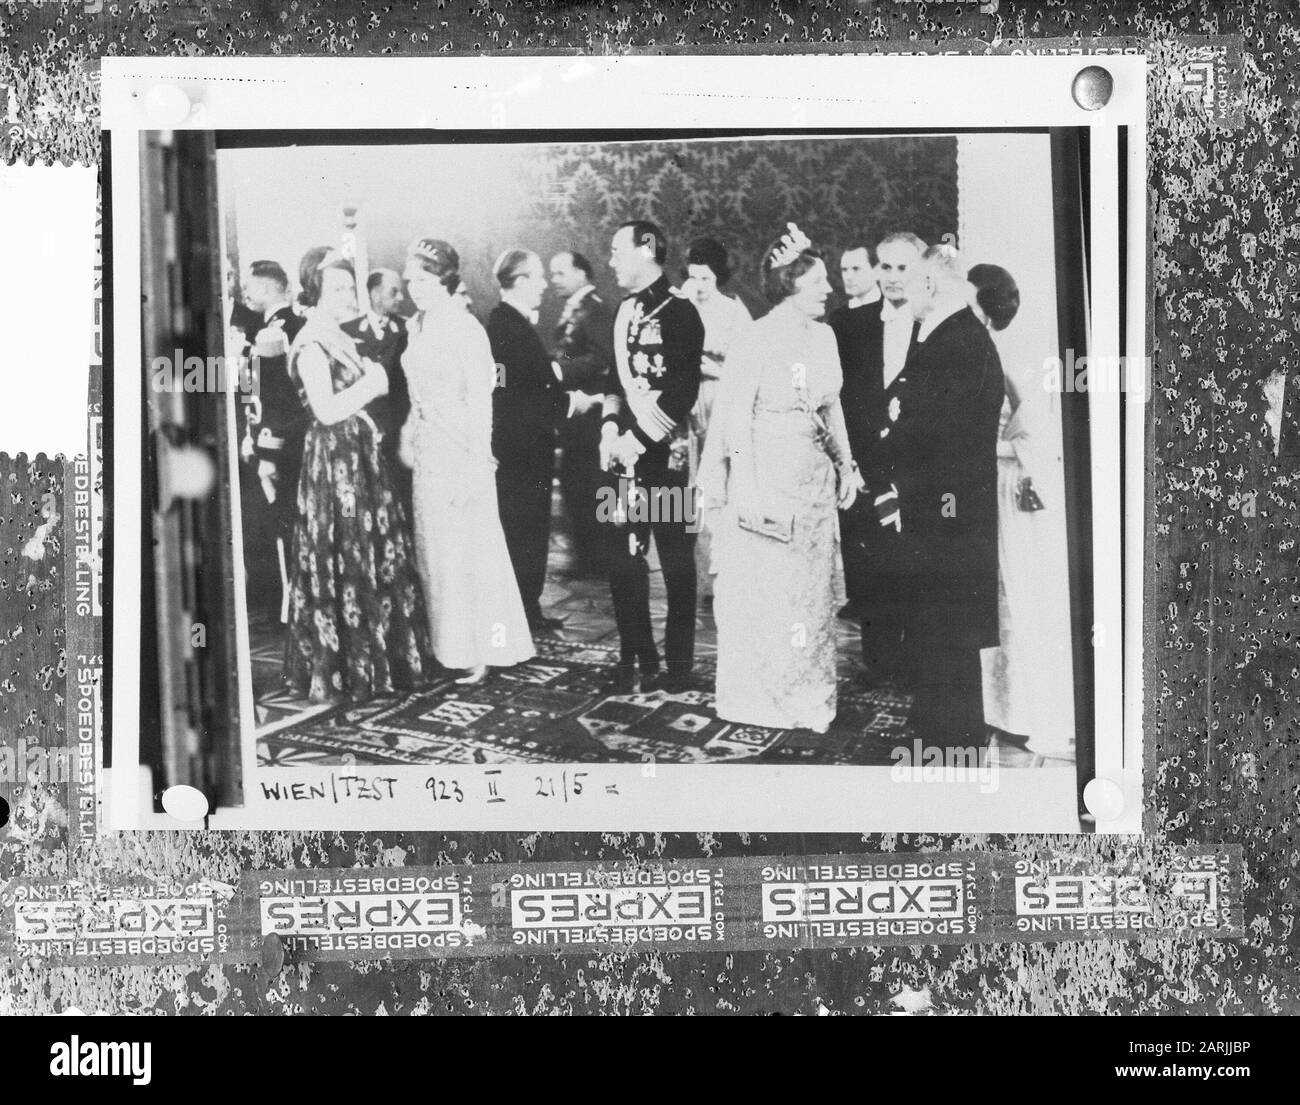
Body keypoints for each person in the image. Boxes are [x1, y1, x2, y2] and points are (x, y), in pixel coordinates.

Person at [699, 223, 863, 733]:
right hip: (766, 480)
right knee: (768, 596)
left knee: (809, 596)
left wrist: (848, 466)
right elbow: (733, 421)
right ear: (789, 285)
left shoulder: (827, 335)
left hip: (813, 483)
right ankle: (760, 698)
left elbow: (831, 407)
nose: (829, 290)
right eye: (818, 283)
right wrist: (743, 490)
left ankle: (808, 695)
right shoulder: (756, 337)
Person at [282, 249, 428, 703]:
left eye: (351, 287)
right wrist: (375, 382)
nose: (349, 296)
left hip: (360, 456)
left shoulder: (339, 337)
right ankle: (349, 672)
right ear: (316, 294)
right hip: (335, 463)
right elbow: (325, 411)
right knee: (347, 556)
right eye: (338, 289)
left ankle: (379, 664)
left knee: (370, 554)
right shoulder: (310, 343)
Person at [399, 237, 535, 683]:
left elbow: (482, 401)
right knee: (435, 552)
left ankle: (482, 649)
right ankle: (449, 648)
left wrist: (480, 461)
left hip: (462, 450)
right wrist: (408, 434)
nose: (413, 287)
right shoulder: (416, 326)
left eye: (422, 279)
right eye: (409, 280)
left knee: (468, 551)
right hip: (427, 449)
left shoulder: (465, 328)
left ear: (444, 279)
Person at [891, 243, 1005, 751]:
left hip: (946, 508)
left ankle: (951, 729)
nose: (902, 293)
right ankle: (940, 719)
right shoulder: (951, 336)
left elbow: (932, 432)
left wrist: (892, 463)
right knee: (940, 617)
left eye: (910, 281)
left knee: (947, 617)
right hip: (946, 505)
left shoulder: (956, 342)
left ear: (931, 284)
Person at [600, 219, 705, 694]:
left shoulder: (681, 311)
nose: (611, 261)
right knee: (623, 557)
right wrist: (607, 429)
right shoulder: (622, 311)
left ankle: (679, 665)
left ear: (646, 251)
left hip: (667, 460)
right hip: (623, 460)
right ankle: (635, 655)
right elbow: (612, 380)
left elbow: (681, 391)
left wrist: (636, 440)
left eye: (618, 251)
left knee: (677, 561)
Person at [830, 232, 925, 686]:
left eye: (902, 268)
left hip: (914, 468)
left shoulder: (934, 324)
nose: (891, 277)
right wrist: (851, 464)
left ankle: (918, 661)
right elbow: (839, 400)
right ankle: (879, 661)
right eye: (884, 267)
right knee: (868, 562)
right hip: (865, 467)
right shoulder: (850, 325)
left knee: (914, 562)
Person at [486, 249, 594, 632]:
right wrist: (572, 404)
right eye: (538, 278)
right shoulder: (509, 327)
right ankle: (523, 611)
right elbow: (521, 395)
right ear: (519, 281)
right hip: (522, 451)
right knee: (525, 531)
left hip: (521, 447)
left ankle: (526, 608)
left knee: (529, 530)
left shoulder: (505, 324)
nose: (545, 285)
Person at [679, 237, 752, 605]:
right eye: (693, 278)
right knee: (693, 488)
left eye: (706, 278)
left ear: (718, 277)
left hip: (723, 400)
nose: (699, 286)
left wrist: (709, 366)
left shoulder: (734, 312)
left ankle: (731, 571)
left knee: (725, 484)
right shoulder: (681, 308)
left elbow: (746, 364)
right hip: (688, 403)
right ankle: (700, 578)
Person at [239, 259, 309, 623]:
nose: (246, 294)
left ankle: (291, 608)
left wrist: (267, 451)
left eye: (250, 287)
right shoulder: (282, 325)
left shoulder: (277, 330)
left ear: (267, 289)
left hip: (285, 446)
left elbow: (278, 398)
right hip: (293, 441)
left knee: (285, 525)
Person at [549, 250, 615, 578]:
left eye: (560, 273)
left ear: (581, 273)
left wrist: (558, 371)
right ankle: (586, 557)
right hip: (575, 415)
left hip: (593, 412)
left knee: (591, 482)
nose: (554, 280)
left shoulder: (596, 310)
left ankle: (598, 559)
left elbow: (601, 359)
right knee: (576, 481)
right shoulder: (575, 308)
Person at [342, 267, 411, 508]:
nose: (401, 298)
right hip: (364, 432)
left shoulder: (408, 329)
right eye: (395, 292)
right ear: (375, 294)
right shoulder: (348, 331)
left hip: (399, 429)